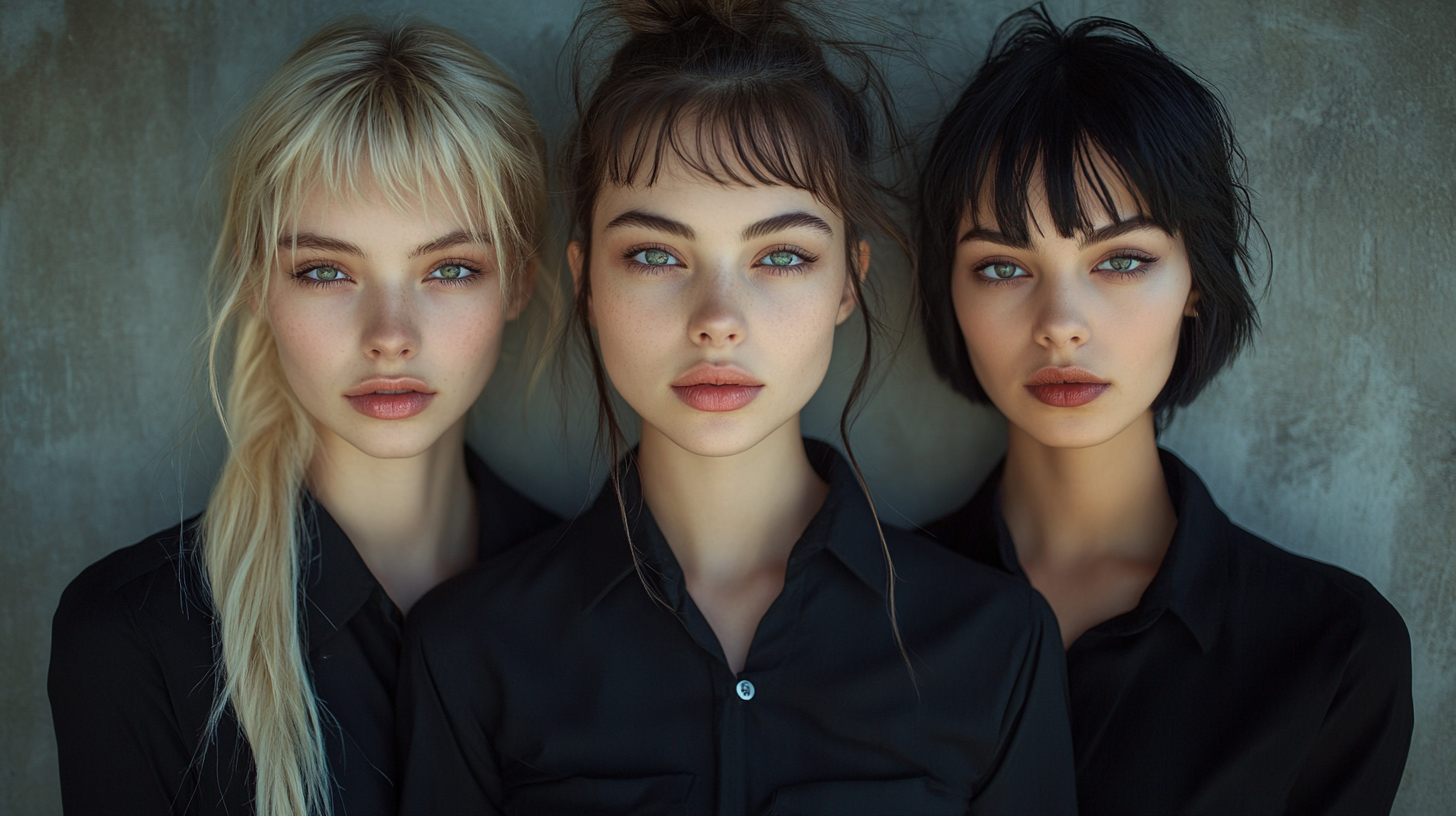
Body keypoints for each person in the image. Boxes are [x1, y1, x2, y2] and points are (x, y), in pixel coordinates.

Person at [397, 1, 1076, 814]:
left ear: (848, 282)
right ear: (584, 281)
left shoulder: (994, 643)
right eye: (655, 254)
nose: (717, 316)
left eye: (781, 255)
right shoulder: (472, 649)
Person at [48, 19, 555, 816]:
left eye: (450, 269)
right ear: (257, 283)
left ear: (517, 283)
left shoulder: (612, 603)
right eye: (326, 271)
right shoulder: (132, 638)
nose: (390, 335)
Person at [916, 7, 1414, 814]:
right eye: (1004, 268)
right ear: (949, 292)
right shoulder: (865, 613)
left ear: (1197, 286)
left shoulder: (1333, 651)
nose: (1061, 321)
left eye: (1122, 260)